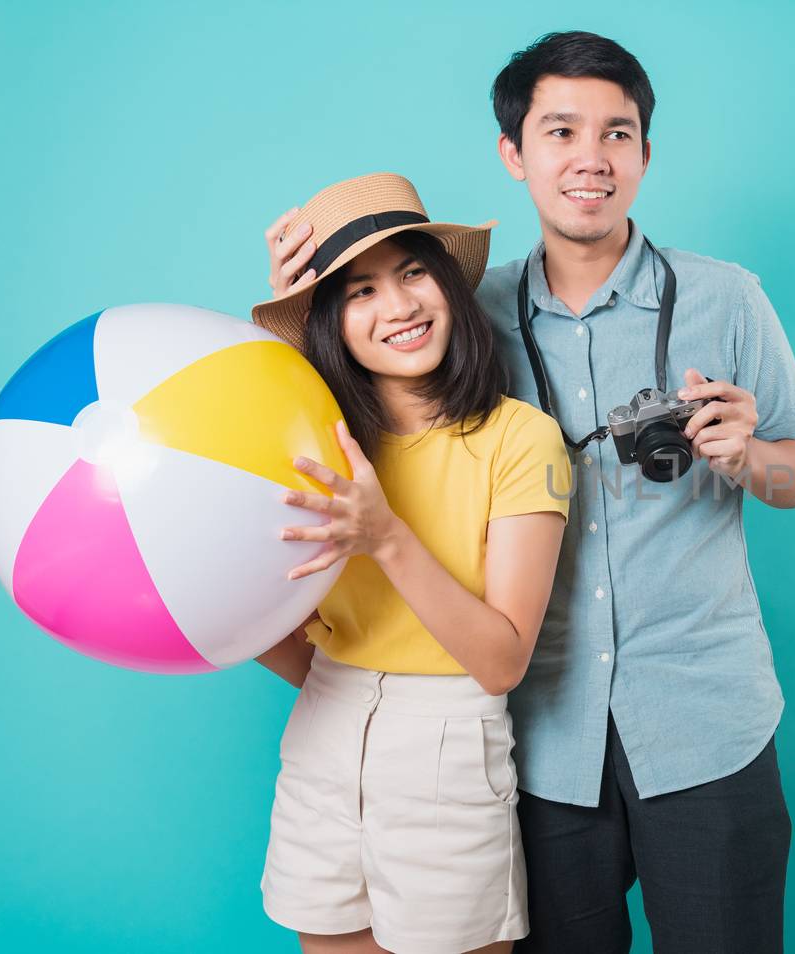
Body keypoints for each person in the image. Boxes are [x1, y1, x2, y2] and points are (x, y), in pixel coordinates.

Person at [266, 31, 795, 954]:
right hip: (536, 740)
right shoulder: (458, 312)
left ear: (644, 153)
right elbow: (342, 401)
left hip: (705, 720)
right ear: (514, 153)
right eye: (561, 130)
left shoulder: (726, 300)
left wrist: (748, 456)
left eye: (617, 133)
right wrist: (297, 303)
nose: (590, 158)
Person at [252, 172, 571, 954]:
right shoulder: (312, 445)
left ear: (450, 285)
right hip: (322, 733)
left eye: (413, 272)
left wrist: (387, 537)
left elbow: (501, 662)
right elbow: (247, 615)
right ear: (330, 321)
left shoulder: (519, 439)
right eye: (358, 291)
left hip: (450, 747)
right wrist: (347, 683)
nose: (397, 307)